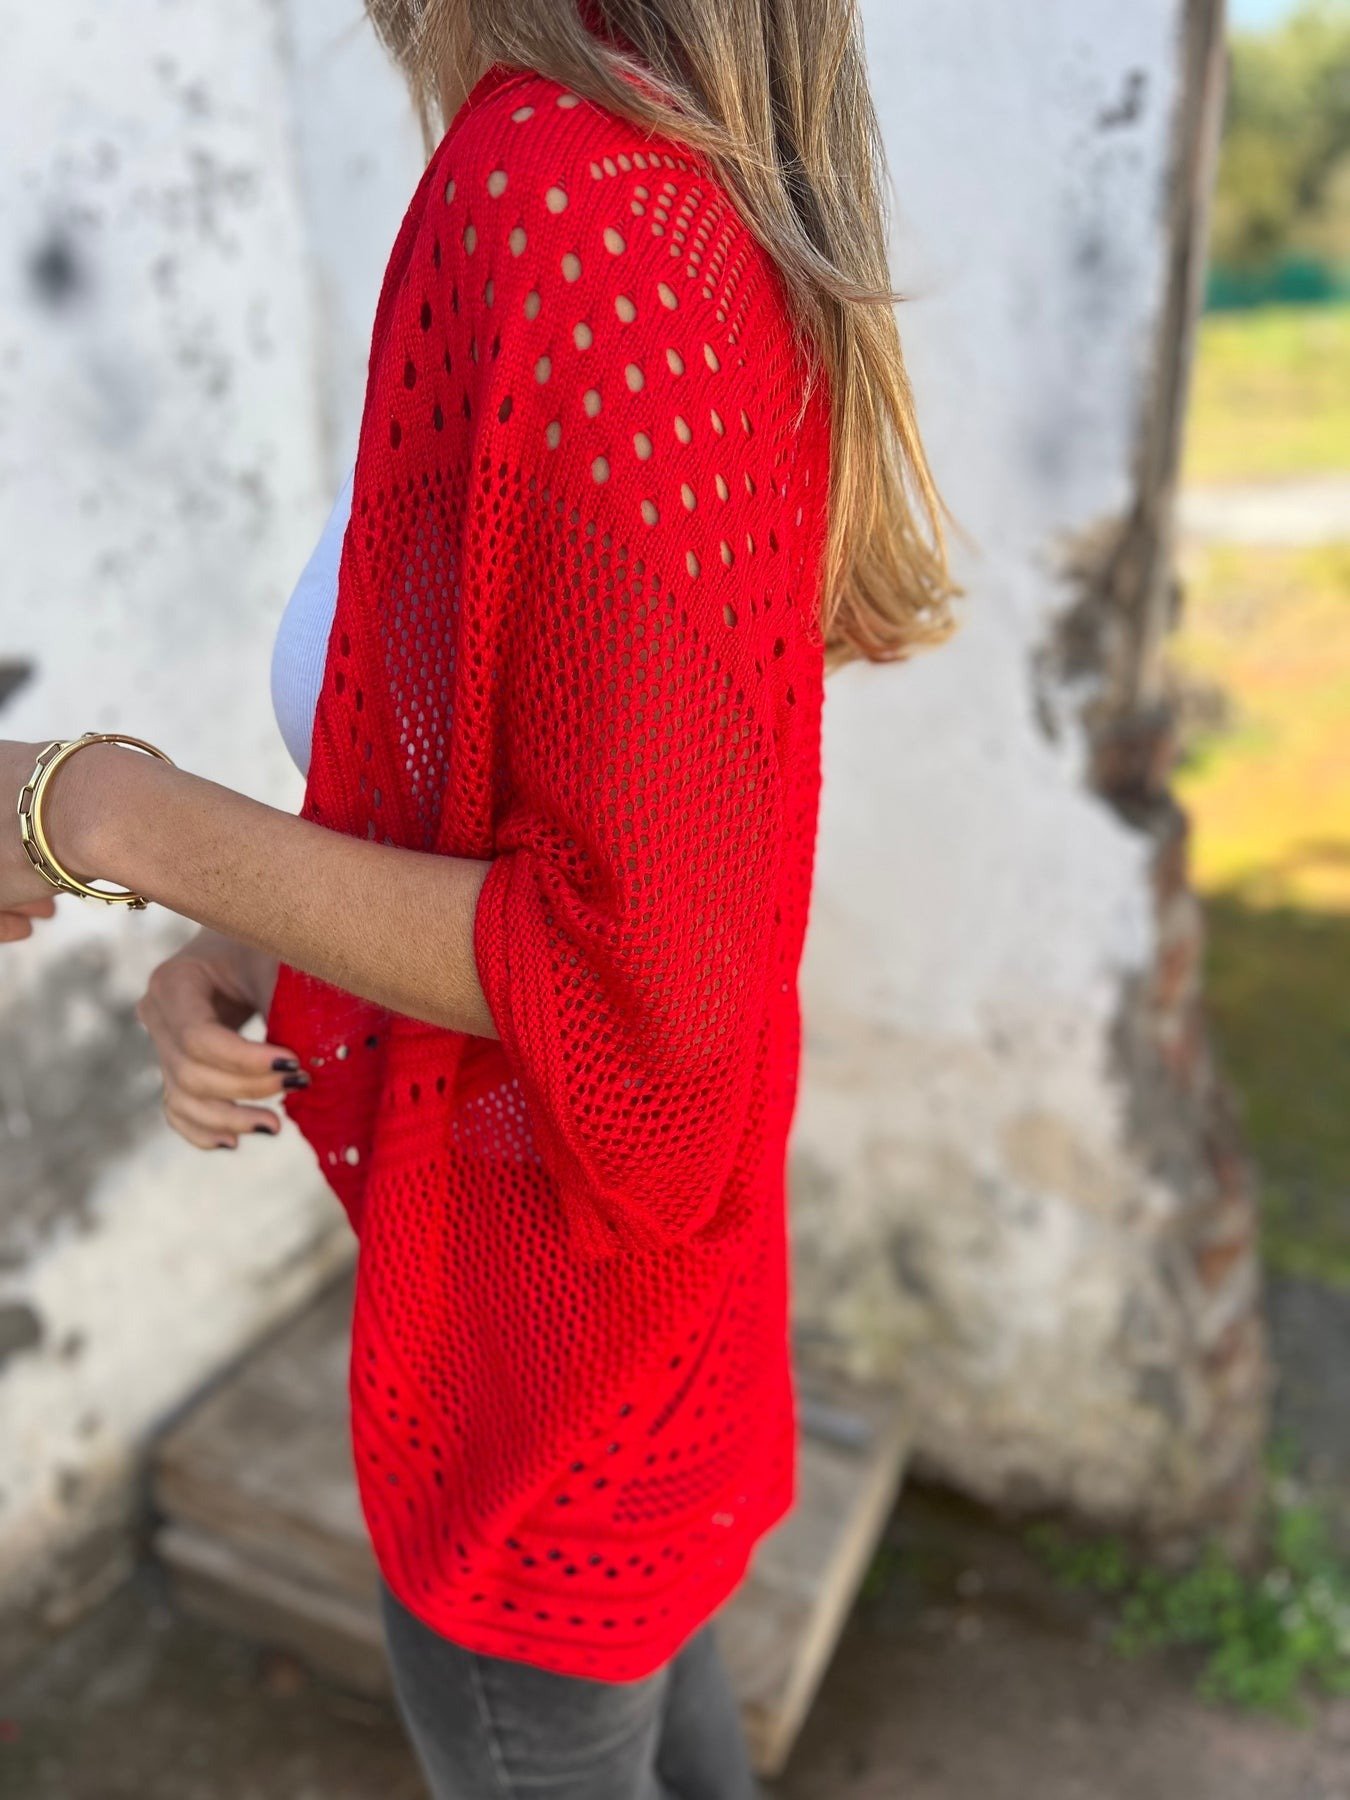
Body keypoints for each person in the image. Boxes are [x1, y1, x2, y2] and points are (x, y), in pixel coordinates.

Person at [1, 2, 957, 1793]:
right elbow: (543, 809)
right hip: (638, 1307)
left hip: (544, 1350)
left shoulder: (571, 196)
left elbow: (625, 977)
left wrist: (106, 809)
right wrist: (249, 924)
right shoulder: (682, 185)